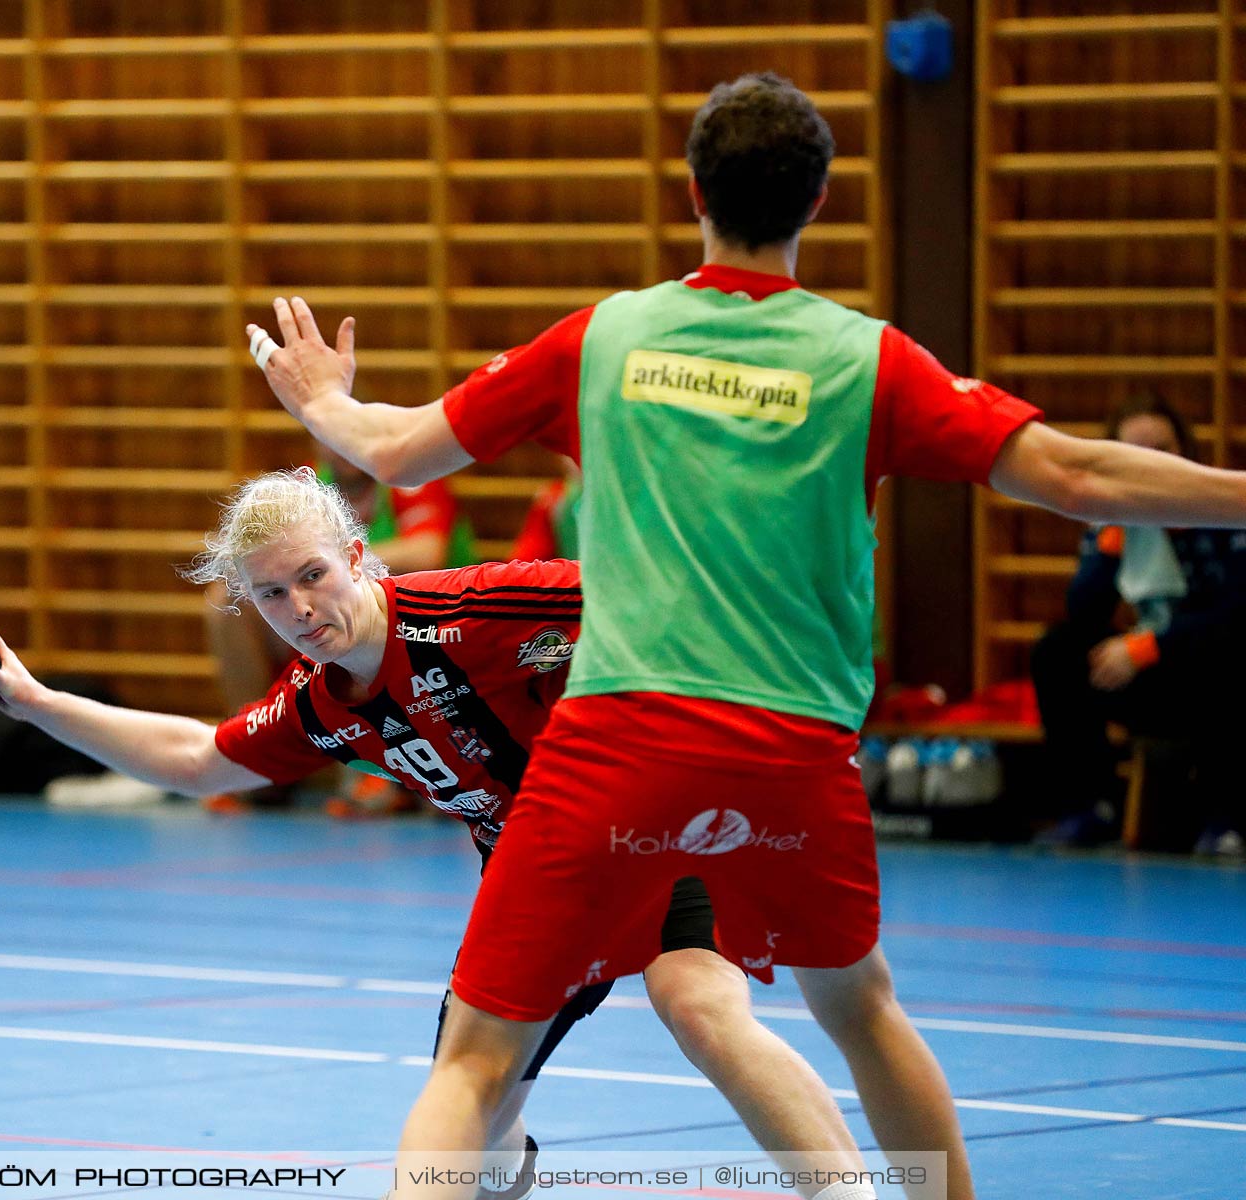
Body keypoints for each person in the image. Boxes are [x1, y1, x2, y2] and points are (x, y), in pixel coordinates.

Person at [246, 72, 1246, 1200]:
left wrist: (324, 401)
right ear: (818, 203)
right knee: (862, 1012)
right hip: (791, 752)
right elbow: (1072, 472)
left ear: (692, 195)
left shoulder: (609, 337)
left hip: (613, 742)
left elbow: (399, 449)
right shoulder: (867, 359)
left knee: (476, 1058)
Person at [0, 467, 872, 1199]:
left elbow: (661, 606)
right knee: (476, 1132)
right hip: (535, 885)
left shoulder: (476, 610)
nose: (298, 609)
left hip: (654, 826)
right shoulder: (319, 705)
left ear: (358, 556)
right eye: (272, 595)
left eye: (313, 576)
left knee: (699, 1004)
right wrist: (40, 704)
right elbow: (200, 760)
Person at [202, 439, 472, 813]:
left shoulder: (408, 476)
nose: (342, 449)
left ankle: (385, 762)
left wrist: (330, 566)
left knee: (364, 608)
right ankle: (259, 744)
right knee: (226, 603)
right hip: (337, 620)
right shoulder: (307, 485)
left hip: (426, 630)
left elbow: (425, 553)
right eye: (327, 437)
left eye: (346, 435)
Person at [1031, 394, 1246, 851]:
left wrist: (1148, 647)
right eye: (1134, 454)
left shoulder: (1225, 511)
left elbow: (1237, 611)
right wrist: (1114, 532)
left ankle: (1225, 820)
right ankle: (1090, 809)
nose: (1150, 464)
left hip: (1213, 674)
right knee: (1059, 650)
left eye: (1162, 450)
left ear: (1185, 453)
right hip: (1149, 680)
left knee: (1233, 651)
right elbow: (1084, 612)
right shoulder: (1113, 521)